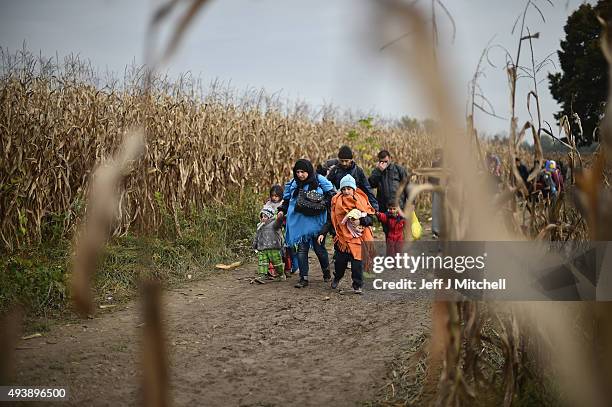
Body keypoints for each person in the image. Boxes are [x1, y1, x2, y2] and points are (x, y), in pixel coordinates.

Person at [278, 159, 335, 288]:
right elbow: (287, 200)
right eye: (297, 172)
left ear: (309, 171)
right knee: (302, 250)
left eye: (303, 172)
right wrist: (281, 211)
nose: (300, 175)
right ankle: (303, 278)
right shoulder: (293, 184)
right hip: (300, 223)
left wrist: (323, 203)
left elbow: (333, 195)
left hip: (317, 222)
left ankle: (326, 272)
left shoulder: (320, 180)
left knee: (319, 249)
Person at [319, 174, 375, 294]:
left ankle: (357, 285)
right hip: (343, 240)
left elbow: (370, 220)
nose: (346, 191)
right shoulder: (336, 201)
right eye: (343, 189)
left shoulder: (362, 200)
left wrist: (361, 221)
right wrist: (323, 233)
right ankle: (337, 277)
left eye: (348, 188)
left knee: (357, 265)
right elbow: (331, 220)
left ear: (353, 189)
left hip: (359, 239)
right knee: (340, 263)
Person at [368, 150, 409, 238]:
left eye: (386, 161)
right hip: (385, 209)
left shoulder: (399, 170)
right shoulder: (377, 171)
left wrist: (411, 204)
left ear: (390, 159)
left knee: (401, 234)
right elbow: (371, 184)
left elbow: (407, 186)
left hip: (399, 208)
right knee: (388, 234)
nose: (384, 164)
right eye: (381, 162)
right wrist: (379, 171)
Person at [326, 145, 379, 211]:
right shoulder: (335, 170)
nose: (344, 163)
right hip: (339, 204)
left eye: (346, 161)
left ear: (351, 160)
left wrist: (374, 206)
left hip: (355, 204)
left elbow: (367, 189)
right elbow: (327, 186)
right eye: (341, 161)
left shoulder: (358, 171)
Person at [252, 207, 285, 283]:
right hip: (262, 248)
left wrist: (280, 217)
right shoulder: (259, 226)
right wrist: (255, 245)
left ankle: (281, 275)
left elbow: (279, 222)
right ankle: (262, 276)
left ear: (270, 216)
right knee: (262, 262)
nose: (263, 218)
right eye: (262, 216)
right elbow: (257, 236)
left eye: (265, 216)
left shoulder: (274, 224)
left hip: (273, 247)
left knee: (277, 263)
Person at [429, 148, 443, 239]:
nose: (437, 156)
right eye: (436, 154)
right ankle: (436, 231)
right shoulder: (434, 164)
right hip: (437, 189)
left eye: (439, 154)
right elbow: (430, 177)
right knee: (436, 210)